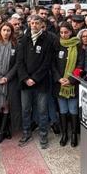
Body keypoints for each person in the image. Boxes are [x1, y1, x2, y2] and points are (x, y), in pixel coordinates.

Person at [17, 15, 57, 148]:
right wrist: (26, 78)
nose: (33, 25)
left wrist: (34, 78)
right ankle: (26, 132)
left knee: (42, 110)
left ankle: (43, 135)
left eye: (36, 23)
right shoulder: (23, 39)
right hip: (25, 82)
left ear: (41, 25)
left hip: (41, 82)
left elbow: (47, 63)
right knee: (26, 109)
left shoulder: (48, 40)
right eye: (31, 23)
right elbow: (19, 61)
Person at [0, 23, 20, 145]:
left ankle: (1, 132)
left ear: (12, 32)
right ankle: (5, 129)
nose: (6, 33)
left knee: (7, 105)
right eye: (4, 30)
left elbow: (17, 64)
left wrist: (7, 77)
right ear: (0, 31)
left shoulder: (16, 45)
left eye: (8, 30)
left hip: (10, 81)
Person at [53, 24, 84, 147]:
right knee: (63, 110)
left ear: (71, 32)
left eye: (66, 32)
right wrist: (59, 78)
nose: (63, 35)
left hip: (72, 85)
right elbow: (52, 65)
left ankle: (73, 135)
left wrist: (71, 79)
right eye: (61, 32)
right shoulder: (57, 45)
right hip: (60, 84)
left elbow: (80, 65)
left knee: (73, 110)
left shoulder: (78, 46)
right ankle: (64, 134)